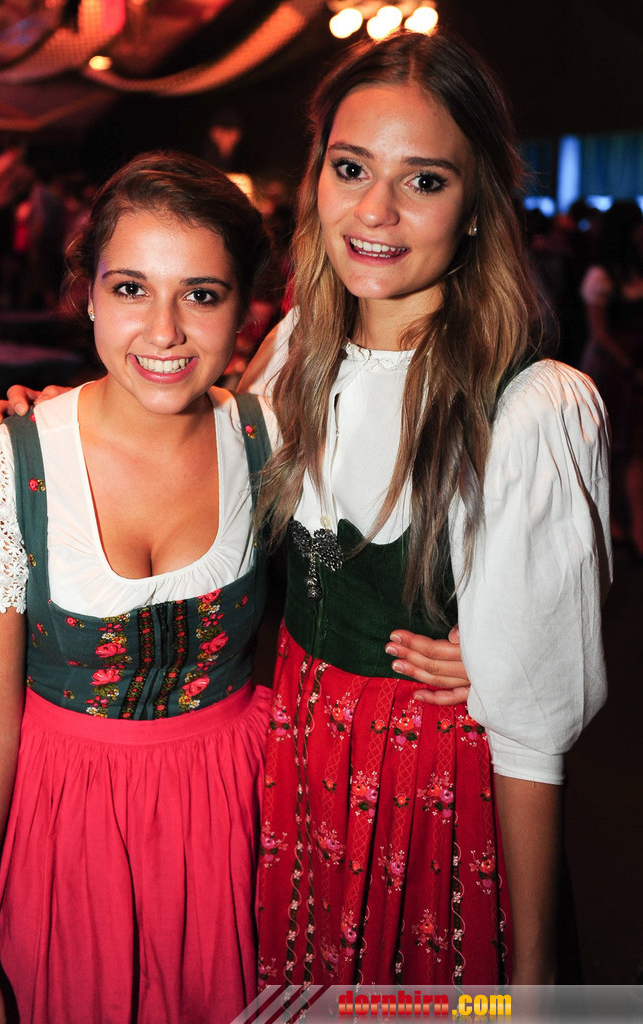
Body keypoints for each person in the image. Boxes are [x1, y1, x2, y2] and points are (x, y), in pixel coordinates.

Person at [239, 30, 611, 987]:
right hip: (299, 769)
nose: (376, 210)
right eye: (351, 167)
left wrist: (536, 981)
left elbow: (531, 734)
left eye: (425, 181)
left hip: (432, 801)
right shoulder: (291, 352)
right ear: (316, 178)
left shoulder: (527, 408)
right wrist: (53, 422)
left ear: (477, 204)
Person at [0, 151, 276, 1024]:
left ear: (245, 307)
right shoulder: (5, 462)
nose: (164, 331)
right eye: (132, 288)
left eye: (201, 294)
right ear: (89, 294)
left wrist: (471, 655)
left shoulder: (270, 438)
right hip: (64, 831)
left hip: (235, 822)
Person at [580, 199, 643, 560]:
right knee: (610, 446)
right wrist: (630, 365)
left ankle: (633, 525)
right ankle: (616, 522)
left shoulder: (631, 271)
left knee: (632, 447)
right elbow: (600, 334)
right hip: (611, 368)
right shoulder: (601, 276)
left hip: (631, 366)